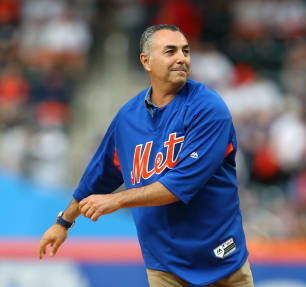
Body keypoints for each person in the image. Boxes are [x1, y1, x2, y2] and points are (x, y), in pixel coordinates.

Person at [37, 24, 254, 287]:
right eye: (170, 51)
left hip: (221, 261)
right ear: (146, 61)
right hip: (164, 265)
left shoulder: (208, 109)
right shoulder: (128, 118)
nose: (181, 58)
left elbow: (179, 186)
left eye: (185, 51)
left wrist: (116, 201)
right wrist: (63, 222)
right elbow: (97, 176)